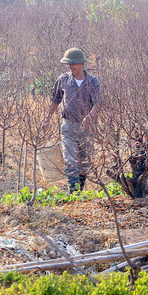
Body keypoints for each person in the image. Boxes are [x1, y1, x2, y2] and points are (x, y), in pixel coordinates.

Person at [43, 48, 101, 193]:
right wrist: (47, 119)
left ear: (81, 63)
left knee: (84, 163)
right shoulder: (63, 80)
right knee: (70, 161)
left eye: (73, 64)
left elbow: (98, 103)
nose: (70, 67)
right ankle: (73, 194)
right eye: (68, 64)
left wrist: (90, 117)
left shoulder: (92, 81)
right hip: (68, 125)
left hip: (86, 127)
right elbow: (55, 101)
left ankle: (79, 192)